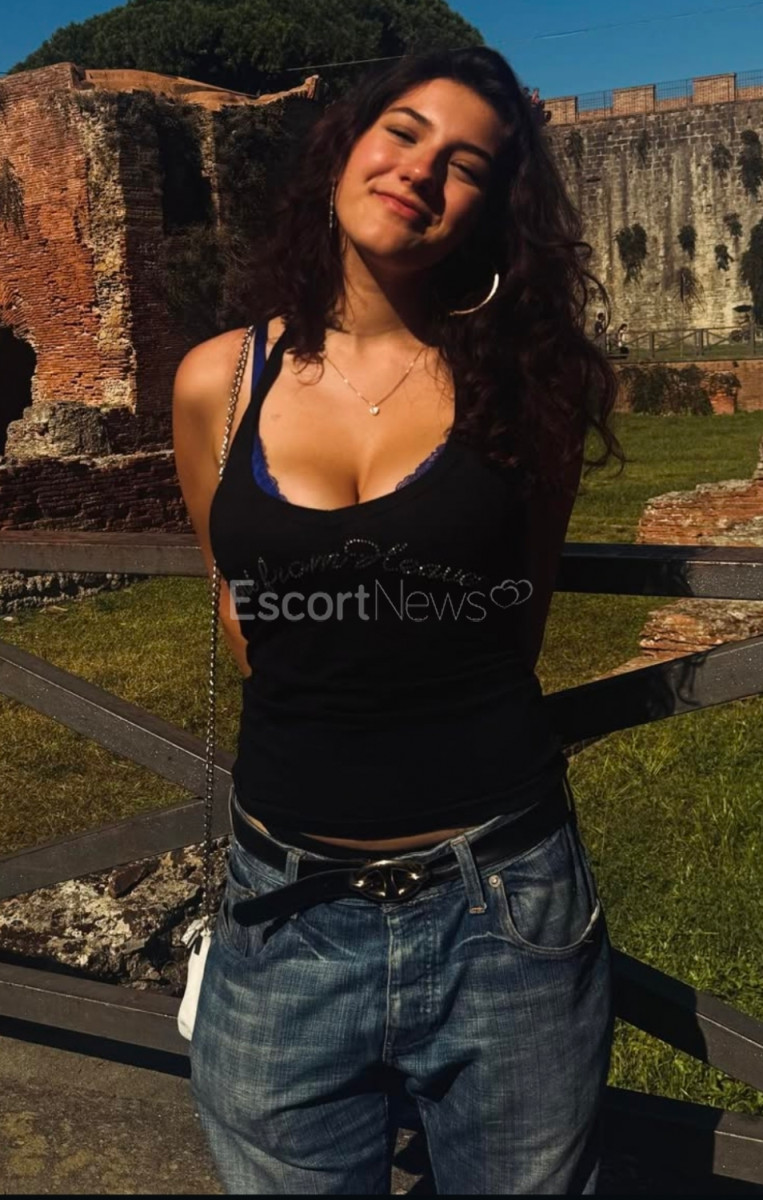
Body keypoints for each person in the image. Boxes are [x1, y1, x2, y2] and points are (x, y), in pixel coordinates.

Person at [172, 45, 623, 1195]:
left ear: (489, 210)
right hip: (280, 912)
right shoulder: (218, 382)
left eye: (466, 163)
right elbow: (242, 610)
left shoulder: (530, 386)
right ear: (344, 145)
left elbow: (517, 618)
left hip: (504, 911)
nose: (422, 170)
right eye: (405, 132)